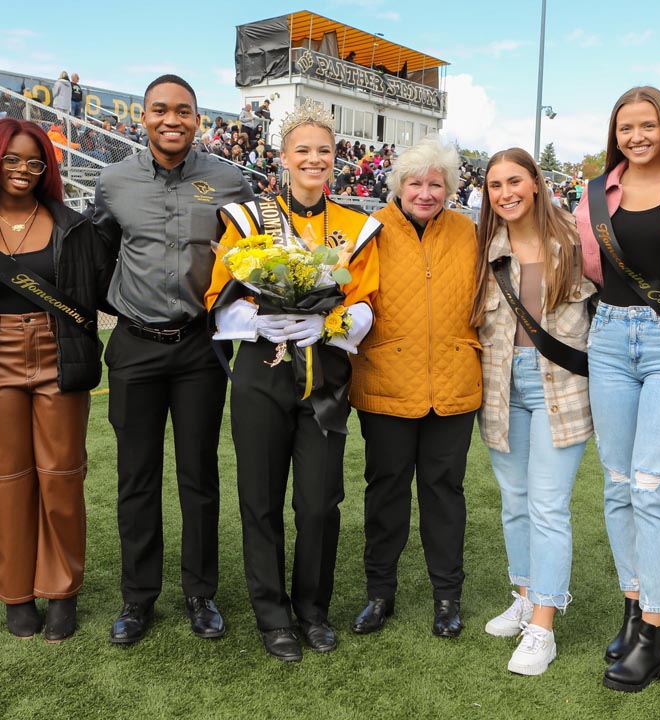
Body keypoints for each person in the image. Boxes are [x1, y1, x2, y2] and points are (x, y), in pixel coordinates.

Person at [206, 98, 381, 662]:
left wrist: (328, 323)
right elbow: (218, 300)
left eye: (324, 151)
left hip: (325, 376)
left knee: (318, 502)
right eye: (302, 150)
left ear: (336, 160)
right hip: (260, 371)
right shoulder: (247, 220)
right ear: (282, 157)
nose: (314, 159)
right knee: (259, 498)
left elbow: (368, 304)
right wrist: (261, 318)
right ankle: (272, 614)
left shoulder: (356, 226)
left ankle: (313, 609)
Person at [91, 74, 253, 646]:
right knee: (136, 476)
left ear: (197, 119)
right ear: (144, 117)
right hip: (134, 343)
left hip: (199, 345)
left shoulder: (228, 180)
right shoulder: (113, 182)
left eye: (183, 110)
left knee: (198, 474)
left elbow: (249, 256)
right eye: (160, 110)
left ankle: (200, 593)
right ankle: (138, 599)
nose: (172, 120)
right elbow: (99, 250)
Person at [572, 86, 660, 693]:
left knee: (653, 487)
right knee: (618, 485)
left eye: (647, 125)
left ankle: (654, 633)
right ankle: (633, 612)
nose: (636, 136)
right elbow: (591, 270)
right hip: (608, 338)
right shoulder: (595, 194)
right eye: (625, 127)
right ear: (614, 132)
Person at [0, 118, 115, 642]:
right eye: (12, 159)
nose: (23, 170)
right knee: (6, 482)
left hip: (58, 354)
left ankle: (63, 591)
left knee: (62, 477)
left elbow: (102, 291)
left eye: (34, 161)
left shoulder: (73, 224)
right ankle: (17, 595)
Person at [348, 138, 479, 639]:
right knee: (386, 493)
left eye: (435, 183)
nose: (425, 192)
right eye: (416, 182)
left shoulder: (467, 230)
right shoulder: (371, 230)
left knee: (444, 494)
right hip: (386, 383)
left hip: (453, 382)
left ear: (448, 187)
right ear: (398, 185)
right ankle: (379, 593)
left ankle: (447, 597)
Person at [474, 147, 595, 676]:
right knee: (515, 502)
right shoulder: (485, 247)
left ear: (536, 183)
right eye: (496, 184)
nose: (506, 193)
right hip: (501, 386)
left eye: (515, 180)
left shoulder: (574, 240)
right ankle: (524, 595)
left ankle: (543, 625)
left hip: (560, 387)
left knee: (548, 506)